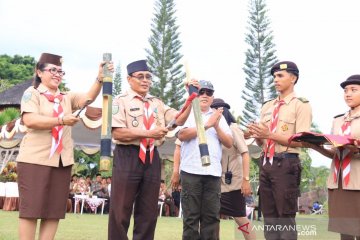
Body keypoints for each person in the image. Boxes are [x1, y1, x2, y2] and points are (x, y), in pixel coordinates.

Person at [16, 52, 113, 240]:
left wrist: (99, 78)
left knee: (54, 211)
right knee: (31, 209)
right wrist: (60, 120)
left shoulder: (66, 97)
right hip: (35, 160)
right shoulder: (32, 93)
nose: (57, 74)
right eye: (52, 70)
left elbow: (87, 98)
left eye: (61, 71)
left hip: (62, 161)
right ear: (39, 72)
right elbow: (29, 119)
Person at [109, 59, 194, 240]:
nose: (145, 80)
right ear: (129, 79)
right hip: (128, 155)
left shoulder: (157, 103)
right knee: (120, 209)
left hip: (151, 156)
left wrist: (190, 98)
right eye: (140, 76)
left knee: (148, 211)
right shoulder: (120, 101)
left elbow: (179, 120)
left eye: (148, 76)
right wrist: (149, 133)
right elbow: (118, 133)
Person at [247, 61, 312, 240]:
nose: (275, 79)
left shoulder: (301, 105)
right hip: (266, 163)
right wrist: (258, 135)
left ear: (293, 78)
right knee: (269, 218)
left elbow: (303, 142)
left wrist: (271, 134)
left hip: (287, 164)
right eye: (274, 76)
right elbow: (264, 142)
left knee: (285, 217)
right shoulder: (267, 106)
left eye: (280, 76)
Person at [303, 75, 360, 239]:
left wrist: (354, 148)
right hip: (340, 182)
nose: (348, 94)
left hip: (358, 181)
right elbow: (336, 154)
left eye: (353, 90)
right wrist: (314, 146)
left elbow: (352, 149)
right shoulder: (338, 120)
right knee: (345, 232)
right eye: (345, 91)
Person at [177, 80, 233, 239]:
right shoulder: (189, 112)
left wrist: (216, 125)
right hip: (190, 172)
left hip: (213, 173)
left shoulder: (218, 116)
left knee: (212, 218)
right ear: (196, 94)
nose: (205, 95)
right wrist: (207, 125)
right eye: (201, 92)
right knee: (191, 218)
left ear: (212, 96)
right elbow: (182, 135)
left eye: (209, 93)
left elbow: (229, 143)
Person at [211, 98, 256, 240]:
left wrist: (246, 180)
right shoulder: (212, 131)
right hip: (216, 183)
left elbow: (245, 153)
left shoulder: (233, 128)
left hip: (233, 185)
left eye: (220, 109)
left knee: (240, 218)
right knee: (212, 217)